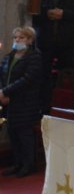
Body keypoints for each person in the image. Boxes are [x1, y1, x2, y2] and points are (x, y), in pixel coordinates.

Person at [0, 27, 44, 176]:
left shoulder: (34, 57)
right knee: (12, 132)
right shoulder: (9, 56)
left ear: (30, 40)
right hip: (9, 101)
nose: (17, 40)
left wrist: (5, 92)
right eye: (15, 38)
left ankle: (28, 165)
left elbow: (27, 79)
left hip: (26, 101)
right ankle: (17, 163)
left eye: (21, 38)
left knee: (24, 133)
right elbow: (2, 75)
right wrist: (2, 92)